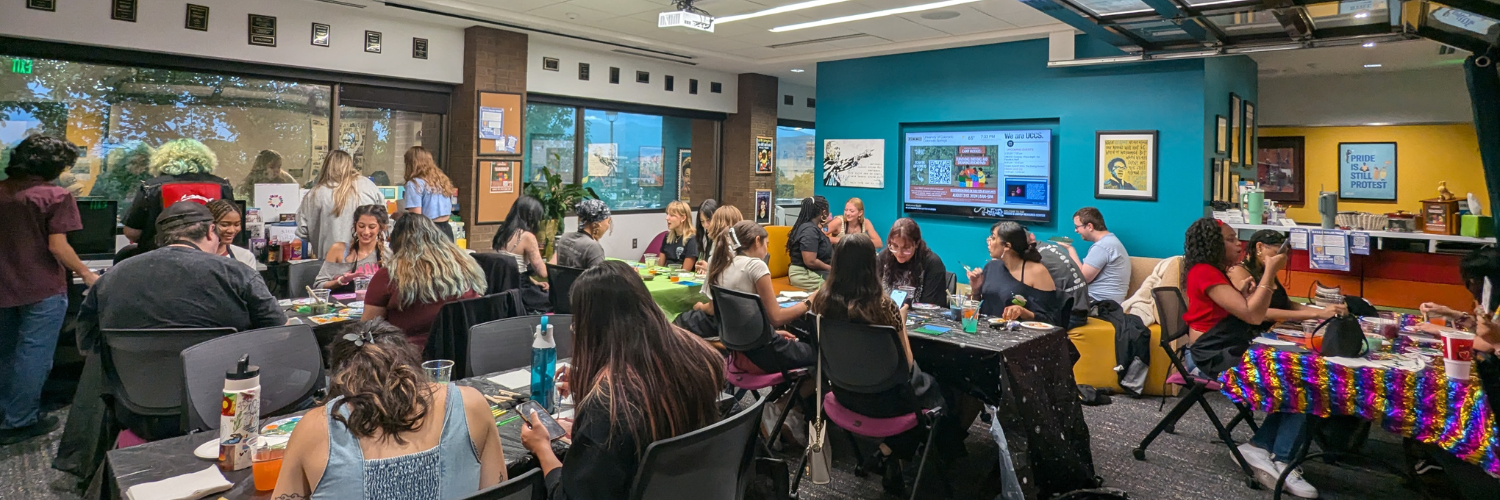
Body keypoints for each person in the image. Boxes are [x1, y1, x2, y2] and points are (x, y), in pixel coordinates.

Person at [78, 202, 285, 439]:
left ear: (160, 239)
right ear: (210, 232)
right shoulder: (238, 273)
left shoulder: (109, 279)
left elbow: (86, 344)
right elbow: (278, 333)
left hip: (135, 410)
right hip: (226, 406)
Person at [521, 261, 725, 499]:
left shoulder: (607, 405)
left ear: (592, 328)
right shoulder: (695, 356)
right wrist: (584, 424)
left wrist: (542, 447)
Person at [272, 320, 507, 499]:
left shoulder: (314, 428)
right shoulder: (471, 404)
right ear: (411, 361)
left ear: (338, 377)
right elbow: (501, 491)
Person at [1177, 218, 1311, 498]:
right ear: (1212, 243)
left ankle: (1262, 446)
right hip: (1211, 357)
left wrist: (1248, 292)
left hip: (1225, 348)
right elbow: (1253, 315)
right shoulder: (1205, 272)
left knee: (1298, 371)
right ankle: (1282, 459)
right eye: (1229, 239)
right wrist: (1270, 274)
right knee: (1299, 378)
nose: (1238, 244)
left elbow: (1250, 311)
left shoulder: (1216, 271)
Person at [810, 233, 946, 495]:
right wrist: (902, 323)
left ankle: (887, 452)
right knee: (938, 397)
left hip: (842, 394)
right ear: (870, 266)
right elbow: (906, 363)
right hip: (888, 401)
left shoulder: (820, 301)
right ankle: (897, 455)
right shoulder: (883, 306)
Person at [0, 135, 99, 445]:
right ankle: (20, 421)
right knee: (34, 354)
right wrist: (86, 273)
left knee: (6, 353)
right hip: (41, 288)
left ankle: (6, 412)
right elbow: (57, 246)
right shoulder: (55, 197)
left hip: (4, 286)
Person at [675, 221, 815, 341]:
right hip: (741, 338)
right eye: (766, 244)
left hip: (718, 330)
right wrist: (810, 300)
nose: (766, 251)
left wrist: (699, 306)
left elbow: (723, 311)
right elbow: (776, 318)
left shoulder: (717, 260)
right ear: (757, 241)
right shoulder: (756, 266)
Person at [362, 215, 486, 351]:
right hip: (466, 351)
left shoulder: (389, 275)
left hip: (409, 357)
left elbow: (367, 329)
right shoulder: (467, 267)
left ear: (396, 243)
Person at [121, 138, 235, 254]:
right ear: (205, 159)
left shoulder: (151, 187)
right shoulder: (222, 186)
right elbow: (231, 225)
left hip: (160, 258)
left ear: (162, 160)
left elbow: (132, 232)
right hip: (212, 258)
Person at [1227, 230, 1345, 325]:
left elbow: (1286, 304)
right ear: (1260, 247)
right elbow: (1261, 312)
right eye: (1278, 252)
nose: (1283, 258)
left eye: (1285, 253)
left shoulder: (1264, 271)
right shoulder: (1239, 272)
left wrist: (1327, 312)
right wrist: (1316, 315)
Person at [968, 222, 1062, 325]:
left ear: (1007, 246)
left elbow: (1052, 319)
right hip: (987, 331)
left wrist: (1023, 312)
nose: (988, 241)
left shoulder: (1036, 271)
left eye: (994, 238)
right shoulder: (991, 267)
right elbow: (976, 310)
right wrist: (975, 290)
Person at [297, 150, 384, 259]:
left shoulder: (315, 194)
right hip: (366, 262)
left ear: (326, 166)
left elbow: (302, 231)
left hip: (330, 262)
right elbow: (384, 221)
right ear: (350, 165)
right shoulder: (368, 186)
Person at [1058, 207, 1131, 304]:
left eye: (1077, 227)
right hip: (1103, 300)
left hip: (1100, 303)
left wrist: (1070, 249)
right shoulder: (1110, 241)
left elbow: (1082, 278)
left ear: (1089, 226)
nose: (1076, 231)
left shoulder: (1102, 246)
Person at [490, 195, 550, 311]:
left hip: (502, 288)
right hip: (520, 291)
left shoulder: (503, 232)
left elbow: (513, 269)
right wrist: (556, 257)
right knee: (555, 299)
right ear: (532, 216)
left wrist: (535, 282)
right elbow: (543, 273)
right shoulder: (527, 237)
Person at [315, 204, 388, 294]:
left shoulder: (388, 253)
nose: (366, 232)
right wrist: (341, 281)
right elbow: (319, 286)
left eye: (372, 227)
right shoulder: (338, 250)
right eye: (361, 226)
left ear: (381, 228)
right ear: (355, 225)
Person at [876, 218, 947, 305]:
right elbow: (874, 293)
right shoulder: (884, 257)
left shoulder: (932, 263)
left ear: (916, 244)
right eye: (895, 246)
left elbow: (930, 306)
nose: (899, 253)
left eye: (906, 248)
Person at [1032, 233, 1092, 330]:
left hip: (1072, 315)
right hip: (1082, 308)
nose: (1075, 230)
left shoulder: (1037, 258)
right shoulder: (1047, 248)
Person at [401, 146, 457, 240]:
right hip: (446, 229)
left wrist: (400, 216)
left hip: (427, 230)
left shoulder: (414, 183)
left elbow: (416, 217)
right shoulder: (441, 180)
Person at [787, 196, 833, 290]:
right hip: (804, 274)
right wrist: (831, 269)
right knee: (840, 285)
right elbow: (810, 261)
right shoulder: (809, 231)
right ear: (823, 212)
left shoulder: (812, 228)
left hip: (813, 272)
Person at [88, 141, 154, 203]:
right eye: (133, 163)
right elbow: (90, 203)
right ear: (124, 163)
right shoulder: (107, 180)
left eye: (143, 163)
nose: (138, 168)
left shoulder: (152, 182)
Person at [553, 199, 610, 270]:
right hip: (582, 281)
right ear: (598, 224)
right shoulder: (593, 247)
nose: (608, 226)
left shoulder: (564, 237)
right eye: (608, 222)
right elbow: (598, 279)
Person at [205, 199, 258, 270]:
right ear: (210, 225)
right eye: (225, 225)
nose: (232, 230)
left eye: (237, 225)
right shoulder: (194, 257)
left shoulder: (245, 257)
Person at [656, 200, 699, 270]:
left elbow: (685, 272)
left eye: (672, 215)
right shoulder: (667, 237)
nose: (667, 218)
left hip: (681, 278)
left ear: (683, 218)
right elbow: (659, 267)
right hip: (667, 276)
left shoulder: (692, 239)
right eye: (667, 214)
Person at [694, 199, 720, 272]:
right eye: (702, 221)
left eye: (709, 220)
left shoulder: (725, 239)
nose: (705, 225)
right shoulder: (706, 237)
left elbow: (727, 270)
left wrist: (709, 268)